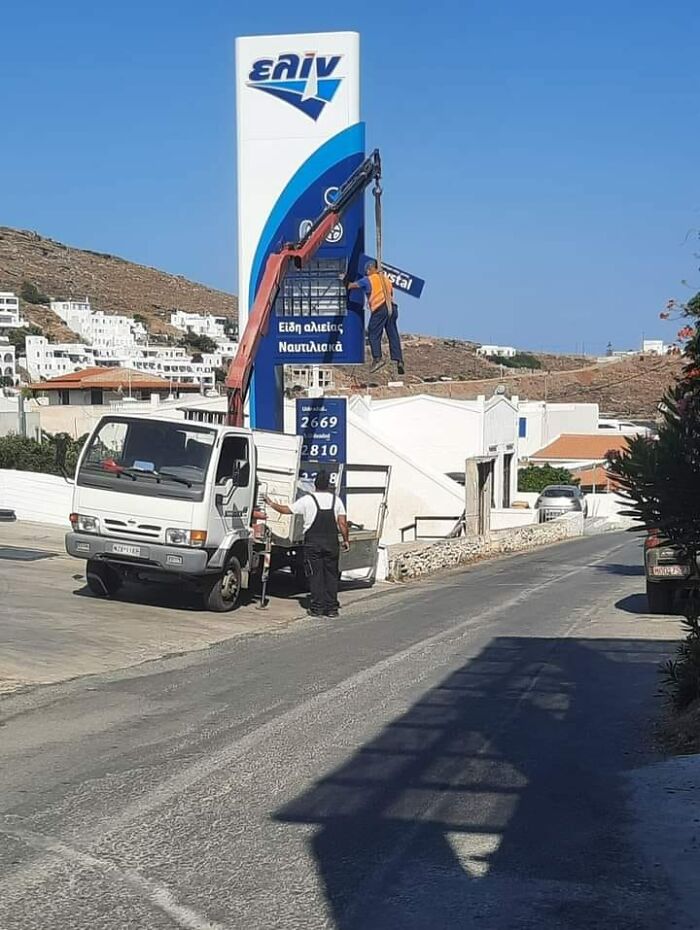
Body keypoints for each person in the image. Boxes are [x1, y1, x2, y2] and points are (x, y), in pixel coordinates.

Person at [265, 471, 350, 618]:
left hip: (313, 543)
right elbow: (342, 523)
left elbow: (286, 510)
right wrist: (346, 540)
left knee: (315, 575)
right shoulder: (337, 501)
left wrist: (271, 503)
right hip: (331, 543)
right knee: (331, 575)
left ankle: (317, 608)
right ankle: (331, 609)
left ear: (315, 484)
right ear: (329, 485)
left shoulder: (307, 500)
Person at [347, 260, 405, 375]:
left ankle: (377, 358)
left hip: (380, 309)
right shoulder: (386, 280)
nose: (366, 272)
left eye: (367, 270)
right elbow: (390, 294)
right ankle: (399, 360)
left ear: (372, 268)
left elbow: (352, 286)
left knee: (373, 333)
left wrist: (344, 281)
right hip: (392, 309)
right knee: (393, 334)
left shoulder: (369, 279)